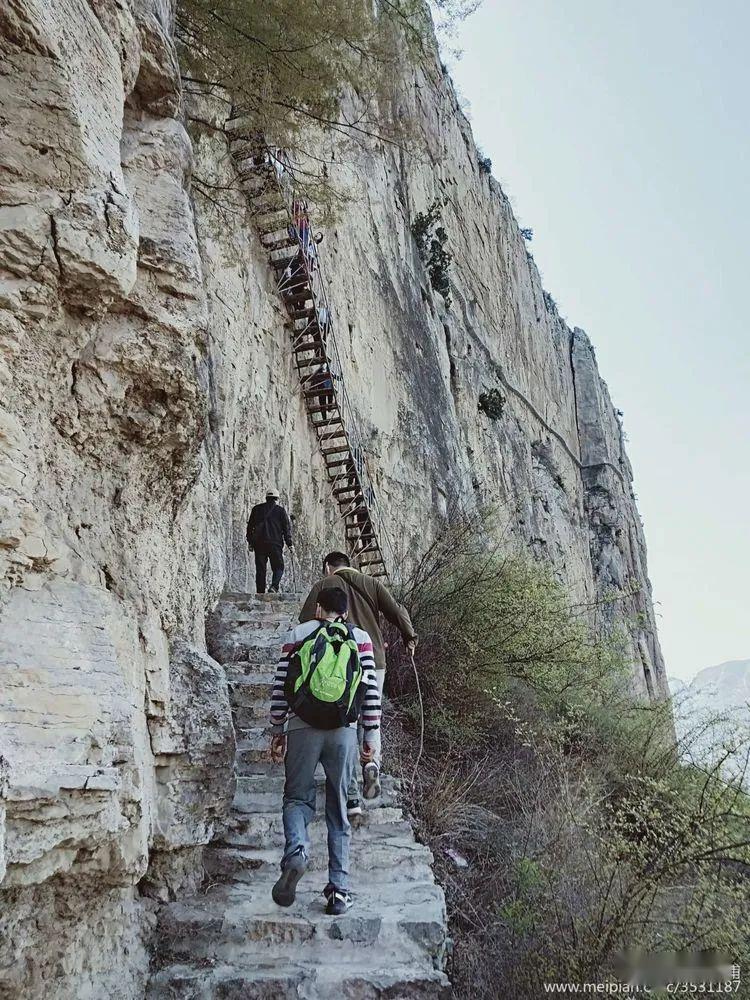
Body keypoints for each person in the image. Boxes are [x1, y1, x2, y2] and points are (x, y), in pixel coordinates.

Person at [269, 586, 381, 915]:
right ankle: (339, 892)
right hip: (342, 731)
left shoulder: (298, 634)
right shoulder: (360, 638)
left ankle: (297, 852)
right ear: (345, 612)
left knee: (297, 799)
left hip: (302, 727)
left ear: (319, 609)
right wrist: (370, 736)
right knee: (339, 809)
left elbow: (280, 684)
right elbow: (370, 689)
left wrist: (277, 729)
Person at [299, 552, 417, 816]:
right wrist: (410, 636)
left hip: (339, 663)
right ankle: (372, 764)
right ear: (350, 566)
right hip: (374, 658)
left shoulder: (324, 585)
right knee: (372, 716)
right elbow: (396, 611)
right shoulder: (372, 584)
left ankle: (350, 786)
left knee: (347, 719)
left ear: (328, 567)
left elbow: (304, 621)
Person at [247, 490, 293, 594]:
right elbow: (286, 529)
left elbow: (250, 527)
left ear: (266, 497)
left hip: (259, 544)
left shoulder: (256, 509)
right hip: (275, 544)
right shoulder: (280, 511)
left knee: (260, 569)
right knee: (279, 566)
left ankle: (260, 593)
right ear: (277, 499)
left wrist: (250, 542)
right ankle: (274, 586)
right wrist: (289, 543)